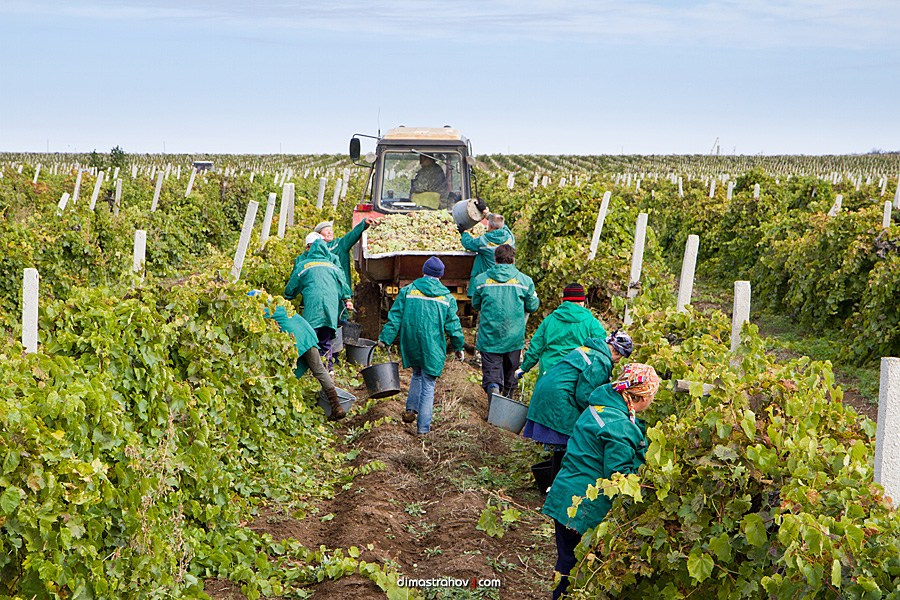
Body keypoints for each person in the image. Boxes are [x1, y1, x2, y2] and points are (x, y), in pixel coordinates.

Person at [542, 363, 660, 599]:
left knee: (566, 564)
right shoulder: (619, 426)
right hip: (585, 507)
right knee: (581, 571)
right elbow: (619, 477)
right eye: (653, 395)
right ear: (643, 396)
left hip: (565, 494)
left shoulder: (599, 407)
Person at [522, 331, 634, 486]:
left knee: (562, 444)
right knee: (568, 440)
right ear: (616, 351)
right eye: (619, 357)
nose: (617, 361)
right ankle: (556, 485)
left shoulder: (591, 350)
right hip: (559, 397)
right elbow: (585, 394)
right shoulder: (601, 361)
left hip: (547, 389)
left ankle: (552, 483)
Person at [377, 256, 465, 436]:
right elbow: (453, 326)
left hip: (411, 342)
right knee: (428, 383)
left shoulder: (408, 291)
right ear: (440, 276)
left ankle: (410, 409)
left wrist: (385, 338)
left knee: (417, 373)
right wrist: (458, 347)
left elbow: (395, 317)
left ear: (423, 271)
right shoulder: (447, 298)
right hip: (432, 346)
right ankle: (423, 429)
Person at [248, 290, 345, 420]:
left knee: (286, 373)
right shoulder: (279, 304)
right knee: (319, 370)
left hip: (294, 340)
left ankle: (279, 408)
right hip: (308, 335)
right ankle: (337, 406)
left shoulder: (263, 310)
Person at [470, 244, 539, 409]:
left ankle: (494, 402)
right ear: (513, 260)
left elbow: (476, 304)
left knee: (492, 375)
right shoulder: (524, 281)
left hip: (489, 337)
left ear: (495, 259)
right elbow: (532, 306)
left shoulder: (481, 280)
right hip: (514, 337)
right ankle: (507, 406)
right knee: (510, 374)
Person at [284, 233, 353, 373]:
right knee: (325, 340)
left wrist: (287, 297)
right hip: (331, 309)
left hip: (313, 309)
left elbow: (291, 289)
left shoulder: (304, 265)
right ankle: (328, 370)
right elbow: (343, 284)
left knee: (308, 340)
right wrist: (347, 299)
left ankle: (302, 371)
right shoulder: (333, 266)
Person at [516, 283, 606, 380]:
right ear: (581, 302)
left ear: (564, 301)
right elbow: (603, 348)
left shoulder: (550, 320)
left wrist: (523, 368)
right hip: (577, 375)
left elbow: (535, 348)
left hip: (549, 374)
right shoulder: (592, 323)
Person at [314, 217, 376, 292]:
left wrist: (364, 224)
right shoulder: (314, 249)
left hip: (340, 288)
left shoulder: (340, 244)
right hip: (322, 288)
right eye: (326, 230)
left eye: (330, 230)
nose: (329, 232)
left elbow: (352, 235)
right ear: (319, 234)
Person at [460, 213, 515, 297]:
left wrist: (464, 233)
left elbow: (468, 243)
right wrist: (487, 214)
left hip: (489, 278)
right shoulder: (510, 238)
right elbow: (504, 227)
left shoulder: (485, 241)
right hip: (507, 276)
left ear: (490, 226)